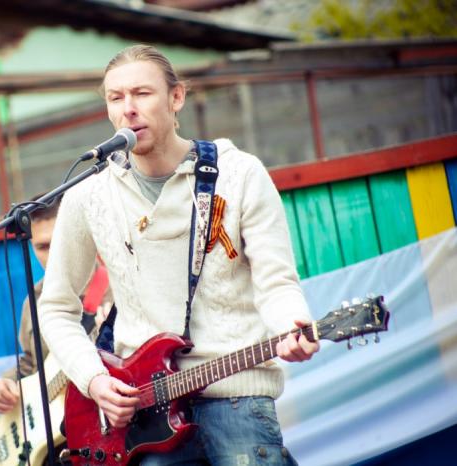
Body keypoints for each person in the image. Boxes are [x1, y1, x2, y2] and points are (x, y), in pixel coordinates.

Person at [38, 44, 319, 465]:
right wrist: (93, 379)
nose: (128, 109)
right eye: (116, 98)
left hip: (236, 394)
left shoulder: (239, 174)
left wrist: (292, 324)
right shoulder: (87, 196)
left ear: (176, 97)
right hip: (143, 416)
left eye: (142, 93)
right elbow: (56, 309)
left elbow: (276, 281)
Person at [0, 194, 111, 413]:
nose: (54, 255)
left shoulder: (118, 289)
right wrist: (6, 384)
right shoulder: (34, 300)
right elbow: (31, 363)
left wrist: (112, 343)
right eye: (43, 247)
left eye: (60, 243)